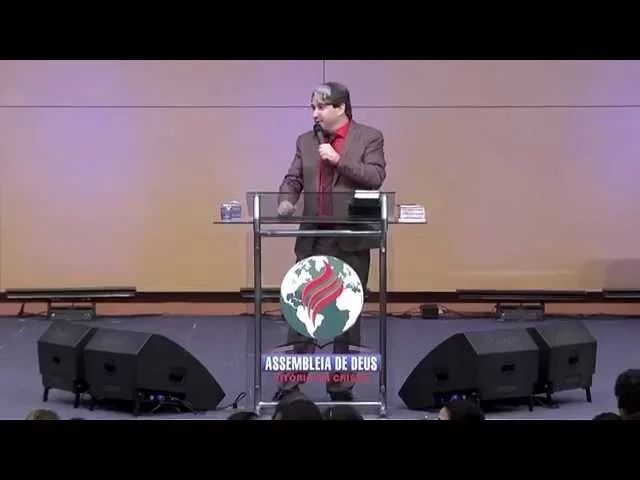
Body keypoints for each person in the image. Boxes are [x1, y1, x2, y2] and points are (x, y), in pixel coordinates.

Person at [274, 81, 387, 403]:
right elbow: (293, 178)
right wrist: (286, 201)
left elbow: (375, 177)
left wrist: (338, 160)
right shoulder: (305, 140)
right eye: (312, 107)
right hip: (313, 238)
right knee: (301, 314)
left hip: (350, 239)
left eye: (321, 107)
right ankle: (290, 386)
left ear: (341, 108)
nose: (315, 113)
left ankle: (340, 386)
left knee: (346, 317)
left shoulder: (369, 137)